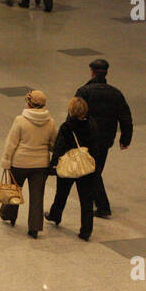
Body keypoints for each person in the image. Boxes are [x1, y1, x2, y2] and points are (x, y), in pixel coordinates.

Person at [74, 59, 132, 220]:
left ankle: (103, 206)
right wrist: (125, 139)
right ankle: (97, 201)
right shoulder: (115, 93)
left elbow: (75, 113)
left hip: (87, 138)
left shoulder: (84, 91)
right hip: (106, 139)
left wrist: (70, 135)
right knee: (96, 169)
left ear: (92, 71)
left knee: (93, 171)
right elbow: (125, 117)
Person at [0, 90, 57, 239]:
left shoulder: (20, 120)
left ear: (29, 104)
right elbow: (54, 143)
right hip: (40, 165)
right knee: (37, 196)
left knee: (14, 190)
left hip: (20, 163)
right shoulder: (50, 122)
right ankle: (34, 228)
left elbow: (11, 143)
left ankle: (9, 215)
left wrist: (6, 161)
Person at [46, 97, 100, 241]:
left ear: (70, 110)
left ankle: (55, 215)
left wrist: (52, 165)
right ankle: (86, 230)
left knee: (61, 193)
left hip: (68, 165)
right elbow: (96, 146)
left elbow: (59, 147)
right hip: (85, 167)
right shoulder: (91, 124)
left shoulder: (67, 127)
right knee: (86, 200)